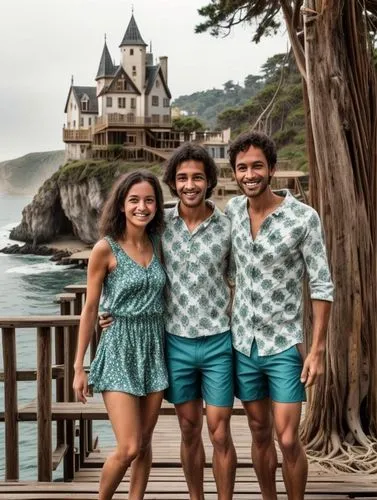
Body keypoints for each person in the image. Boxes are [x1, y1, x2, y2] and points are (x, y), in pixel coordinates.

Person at [100, 143, 237, 500]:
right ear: (173, 185)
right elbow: (135, 265)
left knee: (220, 433)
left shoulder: (227, 227)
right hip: (173, 342)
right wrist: (109, 307)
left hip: (218, 341)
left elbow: (241, 279)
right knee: (189, 429)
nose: (190, 184)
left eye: (197, 177)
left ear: (209, 181)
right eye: (182, 178)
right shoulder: (161, 227)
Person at [225, 131, 334, 500]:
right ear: (234, 173)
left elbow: (322, 286)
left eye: (257, 166)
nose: (249, 174)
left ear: (271, 169)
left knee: (287, 438)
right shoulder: (233, 213)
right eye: (242, 168)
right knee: (258, 431)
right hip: (242, 344)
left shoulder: (303, 218)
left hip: (285, 345)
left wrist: (316, 351)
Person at [73, 170, 168, 500]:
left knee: (144, 445)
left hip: (155, 348)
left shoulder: (158, 242)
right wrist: (78, 367)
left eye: (149, 200)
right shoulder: (105, 248)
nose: (142, 207)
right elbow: (90, 307)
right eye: (134, 200)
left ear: (157, 205)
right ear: (122, 205)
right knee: (128, 447)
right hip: (118, 348)